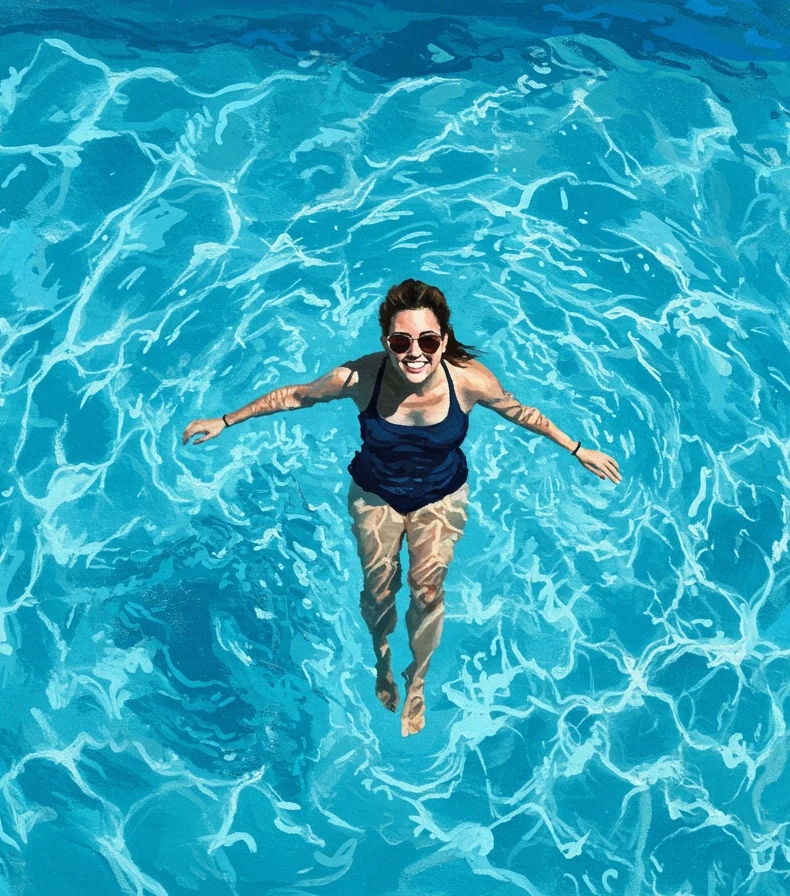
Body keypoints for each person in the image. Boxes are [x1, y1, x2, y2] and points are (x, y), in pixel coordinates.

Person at [181, 279, 623, 736]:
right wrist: (226, 420)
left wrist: (576, 449)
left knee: (428, 591)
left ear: (444, 341)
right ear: (385, 342)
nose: (415, 352)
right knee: (378, 592)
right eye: (401, 340)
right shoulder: (359, 378)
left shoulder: (468, 380)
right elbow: (297, 395)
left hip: (441, 495)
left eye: (428, 340)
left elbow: (518, 411)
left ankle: (419, 681)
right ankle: (382, 658)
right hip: (375, 494)